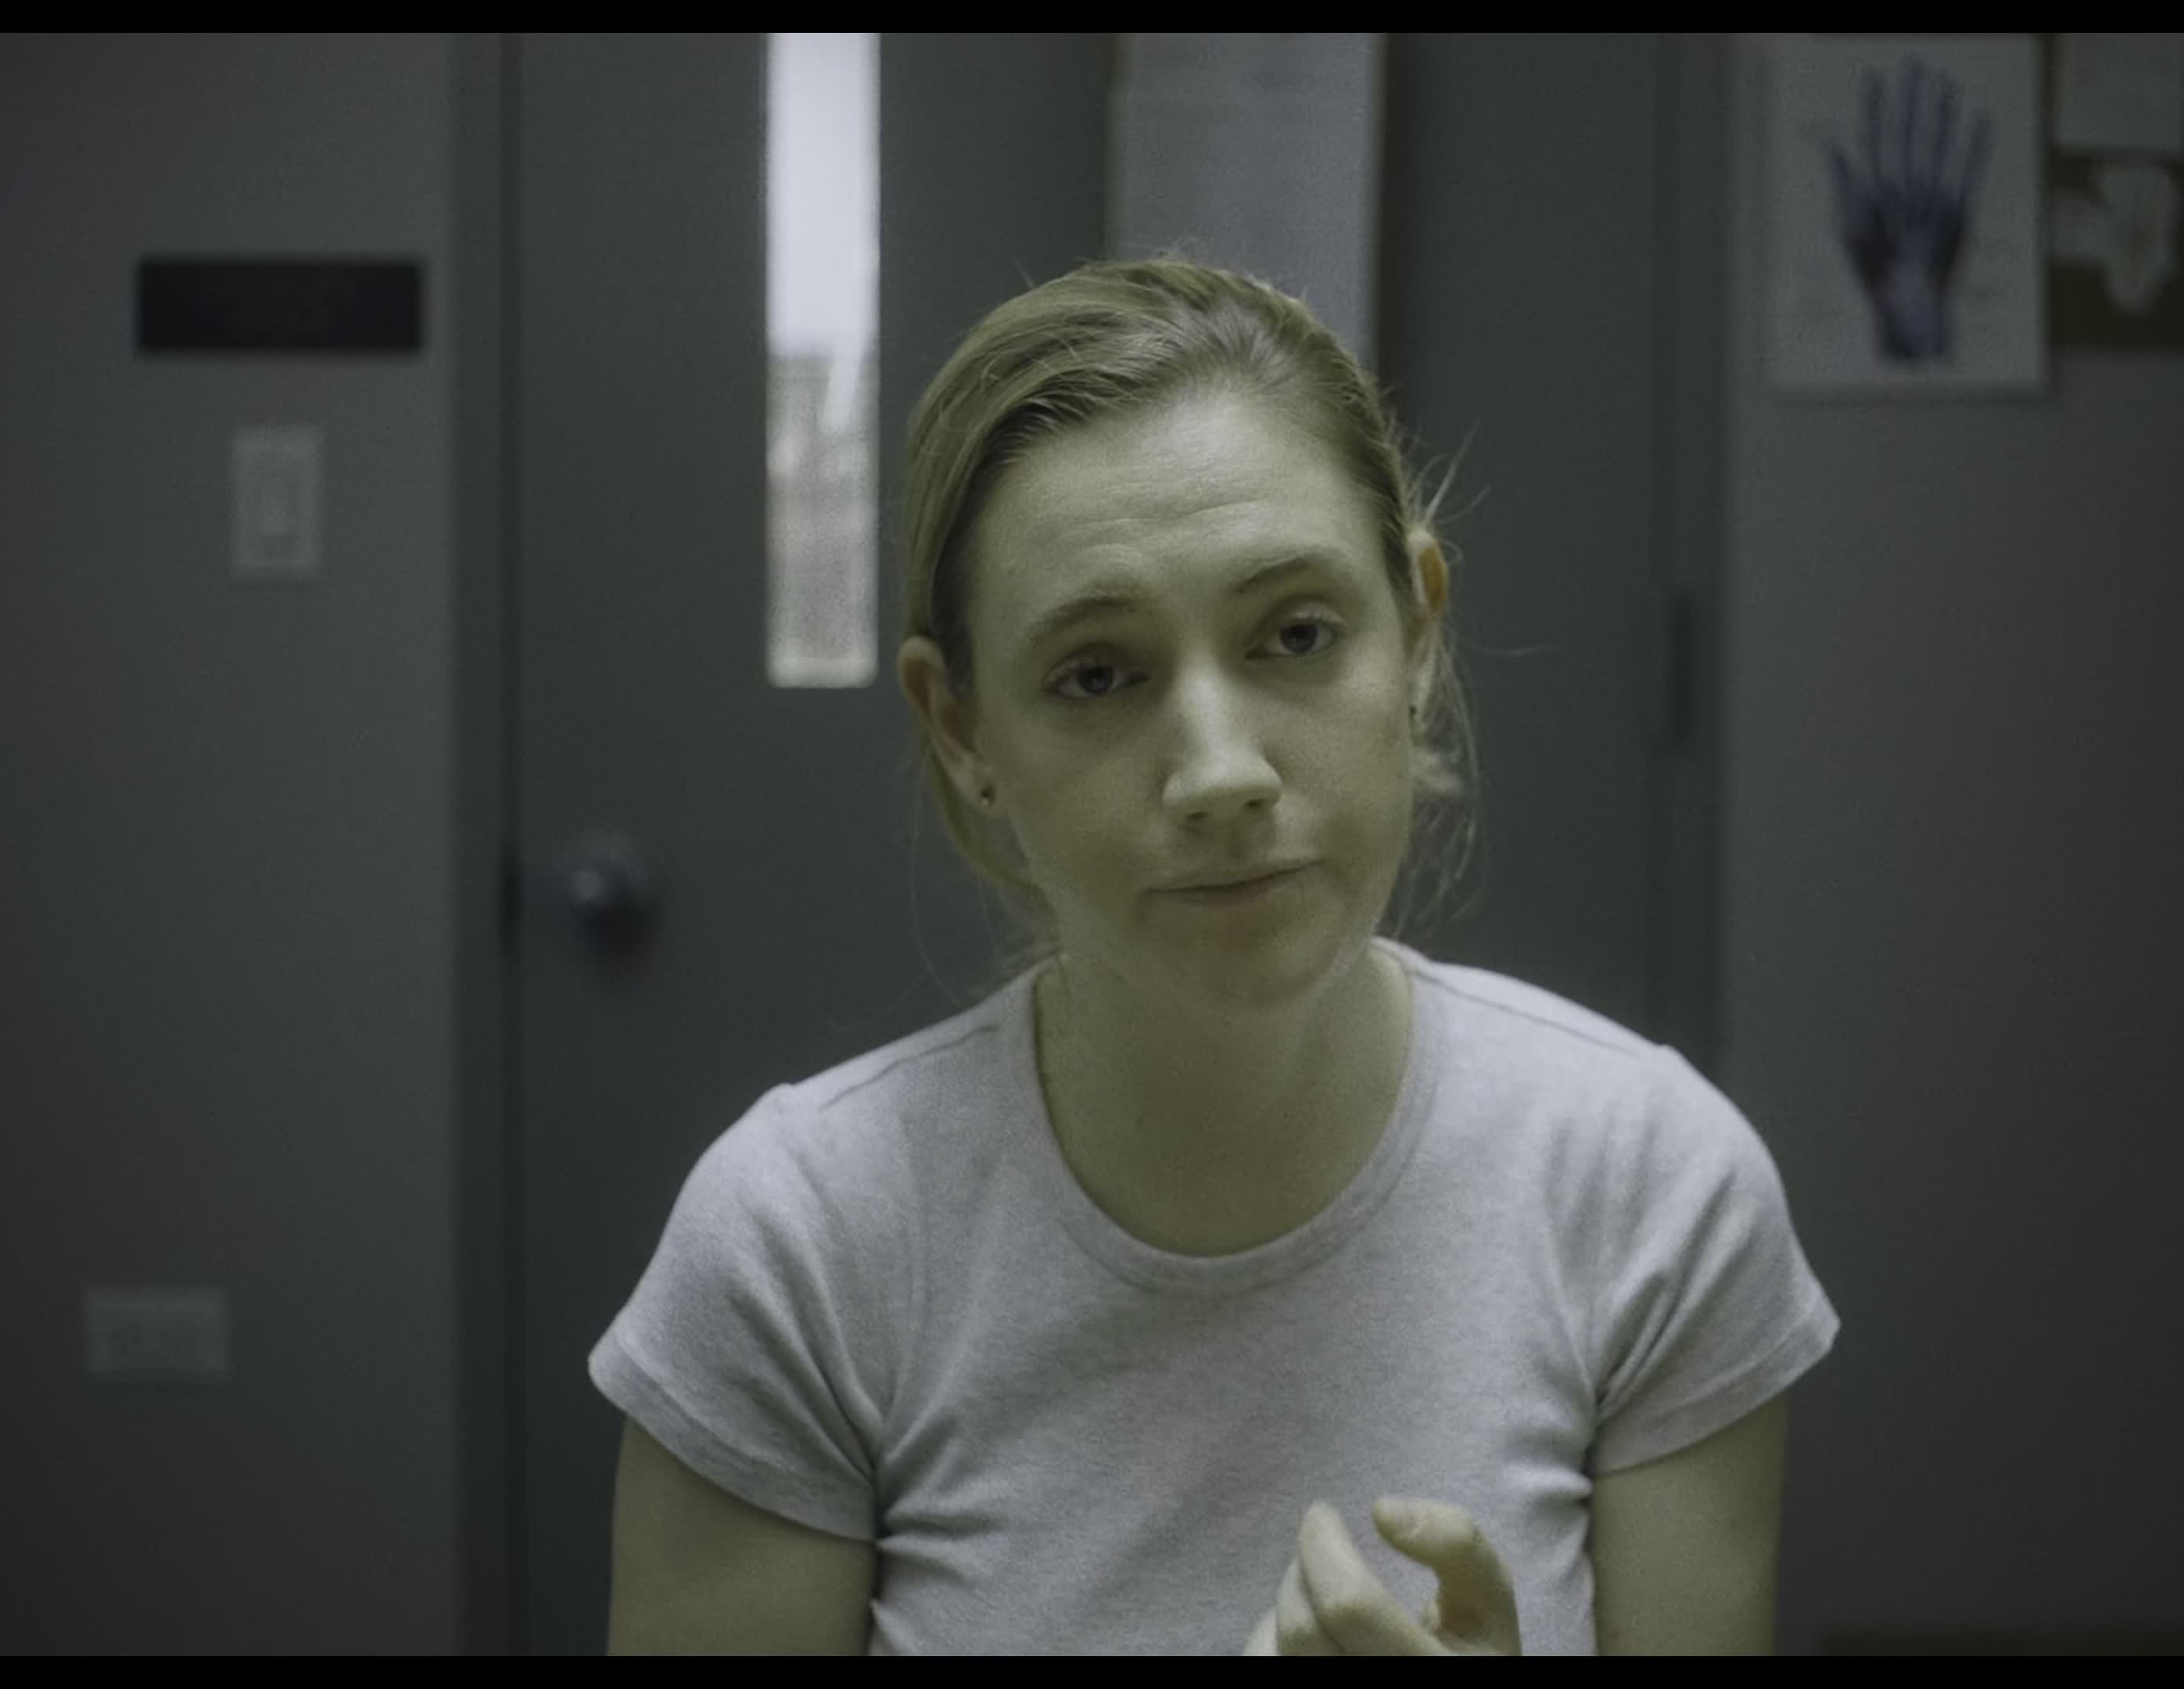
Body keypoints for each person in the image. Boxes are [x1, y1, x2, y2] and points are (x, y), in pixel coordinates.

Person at [592, 256, 1840, 1655]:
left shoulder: (1651, 1195)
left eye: (1296, 635)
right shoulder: (801, 1247)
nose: (1221, 772)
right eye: (1096, 675)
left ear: (1417, 635)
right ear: (961, 728)